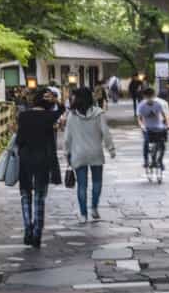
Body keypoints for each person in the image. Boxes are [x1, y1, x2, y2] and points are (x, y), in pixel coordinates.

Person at [15, 87, 64, 248]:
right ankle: (37, 233)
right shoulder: (49, 116)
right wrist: (56, 100)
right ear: (47, 103)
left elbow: (19, 140)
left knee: (25, 195)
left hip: (26, 159)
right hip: (43, 160)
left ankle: (28, 228)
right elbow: (63, 110)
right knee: (39, 197)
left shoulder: (23, 116)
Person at [64, 87, 116, 223]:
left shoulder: (72, 115)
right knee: (97, 182)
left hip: (78, 153)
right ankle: (94, 207)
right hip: (95, 152)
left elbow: (67, 137)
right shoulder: (99, 113)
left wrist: (66, 152)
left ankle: (83, 214)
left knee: (82, 185)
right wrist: (111, 149)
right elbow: (106, 132)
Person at [136, 86, 169, 169]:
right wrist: (141, 125)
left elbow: (164, 115)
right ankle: (146, 160)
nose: (149, 99)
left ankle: (160, 160)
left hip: (158, 127)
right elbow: (139, 118)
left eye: (151, 96)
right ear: (145, 97)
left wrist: (168, 124)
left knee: (162, 144)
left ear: (153, 96)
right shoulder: (141, 106)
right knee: (146, 142)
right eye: (148, 97)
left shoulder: (158, 104)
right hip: (147, 127)